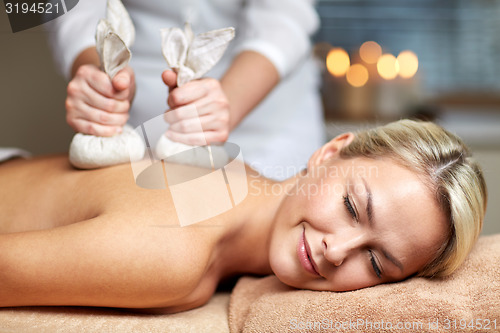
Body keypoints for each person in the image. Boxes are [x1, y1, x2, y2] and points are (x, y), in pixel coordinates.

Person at [0, 120, 487, 312]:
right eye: (352, 207)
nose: (336, 252)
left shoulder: (240, 177)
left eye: (377, 264)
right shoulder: (174, 250)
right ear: (329, 153)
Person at [46, 0, 325, 180]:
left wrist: (226, 103)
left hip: (270, 110)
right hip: (140, 109)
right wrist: (100, 77)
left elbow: (285, 16)